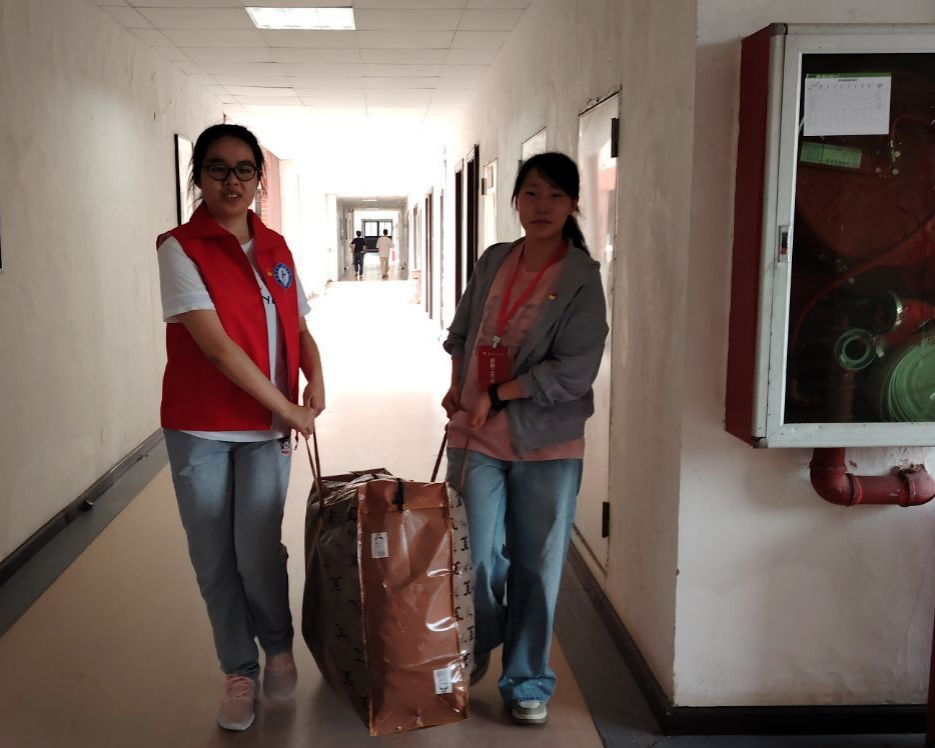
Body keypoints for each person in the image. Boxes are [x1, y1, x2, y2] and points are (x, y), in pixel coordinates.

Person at [156, 123, 325, 732]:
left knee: (257, 551)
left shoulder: (276, 246)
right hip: (200, 426)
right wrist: (289, 408)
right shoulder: (179, 248)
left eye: (244, 169)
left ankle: (277, 646)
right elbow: (218, 348)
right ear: (198, 176)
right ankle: (239, 670)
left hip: (266, 430)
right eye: (218, 168)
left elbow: (299, 327)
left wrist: (316, 377)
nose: (232, 181)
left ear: (258, 178)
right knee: (214, 557)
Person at [441, 152, 607, 727]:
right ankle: (479, 638)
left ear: (573, 204)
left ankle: (527, 679)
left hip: (547, 442)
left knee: (536, 565)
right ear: (515, 199)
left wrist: (501, 392)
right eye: (531, 193)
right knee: (472, 554)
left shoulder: (581, 278)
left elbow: (574, 372)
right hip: (476, 433)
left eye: (556, 195)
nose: (542, 206)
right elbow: (462, 332)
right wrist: (458, 386)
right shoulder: (493, 259)